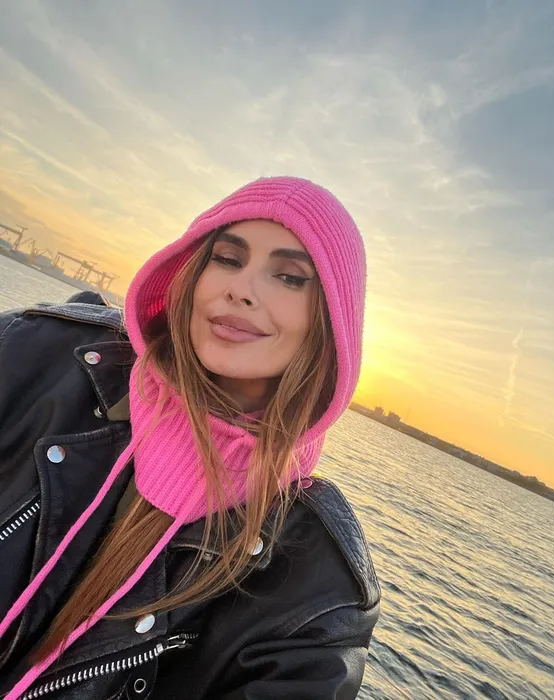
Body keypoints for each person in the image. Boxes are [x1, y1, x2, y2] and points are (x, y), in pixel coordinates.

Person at [0, 176, 380, 699]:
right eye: (227, 258)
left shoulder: (318, 587)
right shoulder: (39, 353)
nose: (241, 289)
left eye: (290, 277)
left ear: (332, 318)